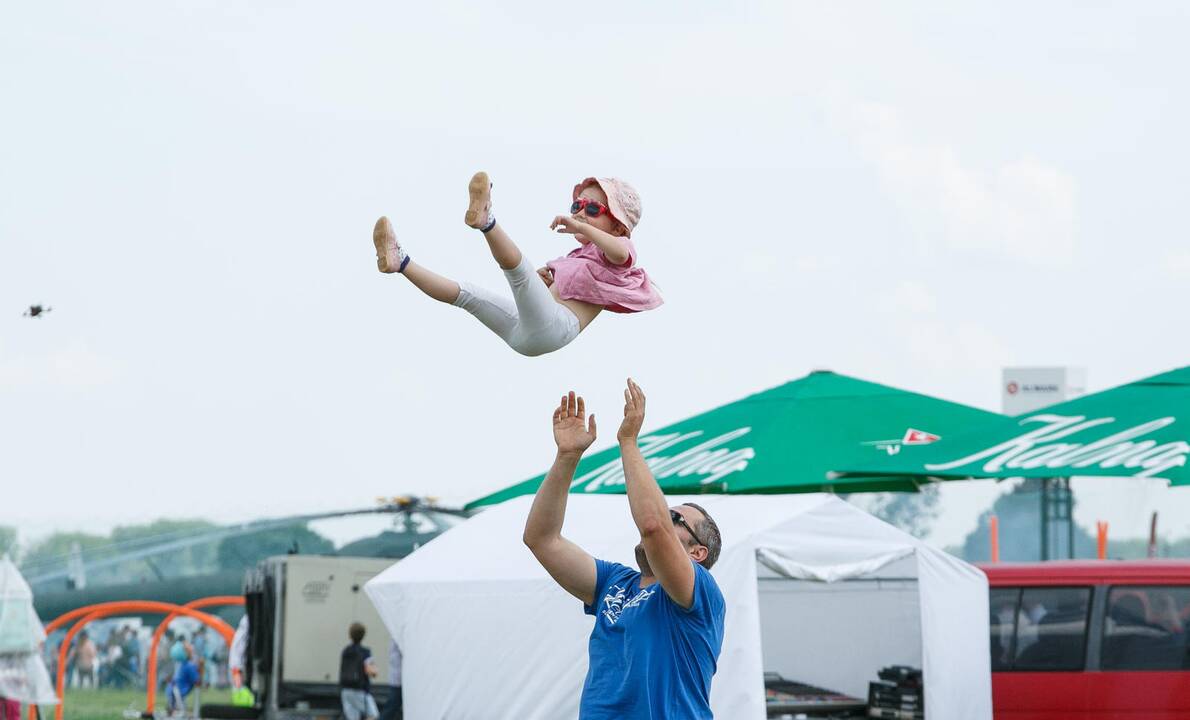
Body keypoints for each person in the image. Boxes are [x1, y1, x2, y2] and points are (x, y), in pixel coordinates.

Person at [523, 380, 726, 719]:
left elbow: (652, 526)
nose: (664, 515)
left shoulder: (699, 593)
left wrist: (628, 442)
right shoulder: (614, 582)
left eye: (675, 517)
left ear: (697, 553)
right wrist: (567, 457)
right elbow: (542, 539)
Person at [372, 173, 662, 357]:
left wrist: (581, 228)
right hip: (526, 335)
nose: (582, 213)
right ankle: (401, 262)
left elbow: (618, 254)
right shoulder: (578, 258)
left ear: (618, 227)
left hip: (555, 328)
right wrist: (549, 282)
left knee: (519, 272)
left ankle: (487, 221)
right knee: (468, 295)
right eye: (578, 206)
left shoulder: (620, 249)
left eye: (594, 209)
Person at [339, 623, 379, 720]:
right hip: (360, 690)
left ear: (350, 635)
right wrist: (375, 672)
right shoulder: (365, 652)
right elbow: (371, 671)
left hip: (345, 690)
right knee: (373, 714)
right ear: (363, 635)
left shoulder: (345, 651)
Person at [166, 641, 200, 716]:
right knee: (179, 714)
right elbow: (197, 681)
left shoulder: (180, 664)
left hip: (173, 691)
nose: (192, 651)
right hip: (178, 694)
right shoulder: (189, 666)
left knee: (175, 712)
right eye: (189, 650)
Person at [377, 640, 402, 720]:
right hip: (398, 681)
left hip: (397, 680)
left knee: (393, 706)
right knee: (392, 706)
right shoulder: (397, 639)